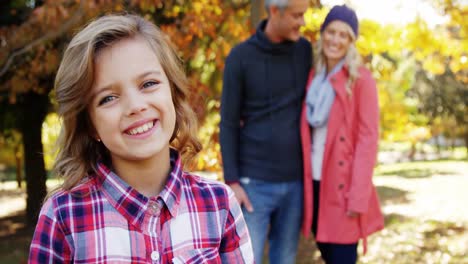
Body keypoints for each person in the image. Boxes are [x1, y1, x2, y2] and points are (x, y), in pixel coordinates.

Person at [28, 14, 254, 263]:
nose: (135, 106)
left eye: (148, 83)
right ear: (90, 125)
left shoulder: (219, 204)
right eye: (108, 98)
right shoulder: (63, 216)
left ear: (173, 93)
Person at [219, 0, 312, 263]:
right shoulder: (240, 57)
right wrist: (233, 181)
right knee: (246, 259)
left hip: (294, 183)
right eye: (297, 16)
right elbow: (227, 122)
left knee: (285, 259)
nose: (302, 22)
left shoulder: (304, 51)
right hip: (253, 185)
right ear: (274, 11)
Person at [300, 5, 384, 264]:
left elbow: (368, 141)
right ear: (322, 33)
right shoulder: (314, 76)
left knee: (342, 257)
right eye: (331, 32)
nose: (335, 40)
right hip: (314, 184)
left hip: (342, 189)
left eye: (343, 35)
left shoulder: (361, 80)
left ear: (351, 42)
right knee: (326, 253)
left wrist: (358, 197)